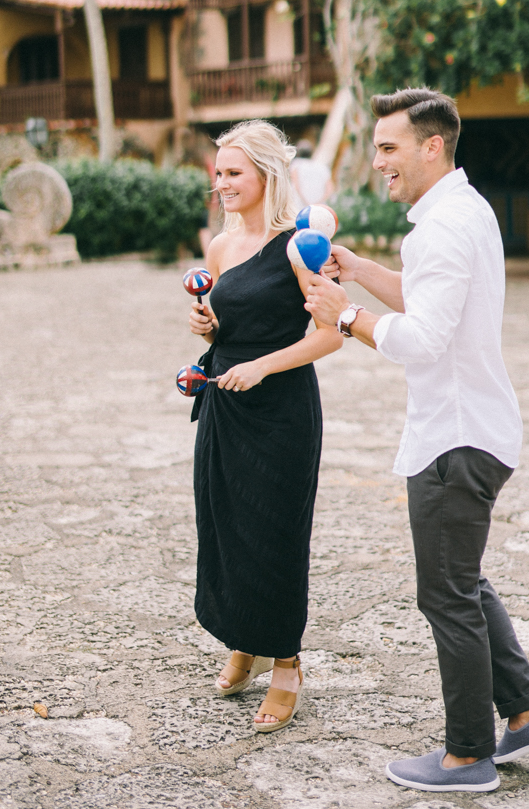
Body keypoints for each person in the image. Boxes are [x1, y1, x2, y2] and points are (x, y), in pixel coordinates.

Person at [305, 88, 529, 794]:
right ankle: (528, 713)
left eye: (389, 148)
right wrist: (359, 270)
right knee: (465, 581)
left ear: (432, 146)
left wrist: (346, 313)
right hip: (474, 428)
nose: (377, 162)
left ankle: (466, 756)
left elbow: (421, 343)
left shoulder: (441, 228)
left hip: (454, 439)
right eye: (376, 148)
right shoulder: (462, 211)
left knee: (446, 594)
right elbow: (429, 302)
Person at [188, 119, 342, 732]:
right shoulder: (219, 248)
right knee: (225, 525)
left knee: (275, 533)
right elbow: (229, 323)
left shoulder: (297, 245)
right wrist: (208, 328)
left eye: (234, 173)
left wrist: (260, 367)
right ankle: (242, 643)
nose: (221, 183)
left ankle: (286, 664)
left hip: (281, 410)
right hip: (224, 401)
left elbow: (331, 334)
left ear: (265, 176)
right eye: (218, 172)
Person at [290, 139, 334, 210]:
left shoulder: (296, 164)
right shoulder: (323, 167)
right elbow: (330, 188)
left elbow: (296, 184)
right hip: (318, 208)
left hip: (298, 206)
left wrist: (306, 202)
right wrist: (318, 202)